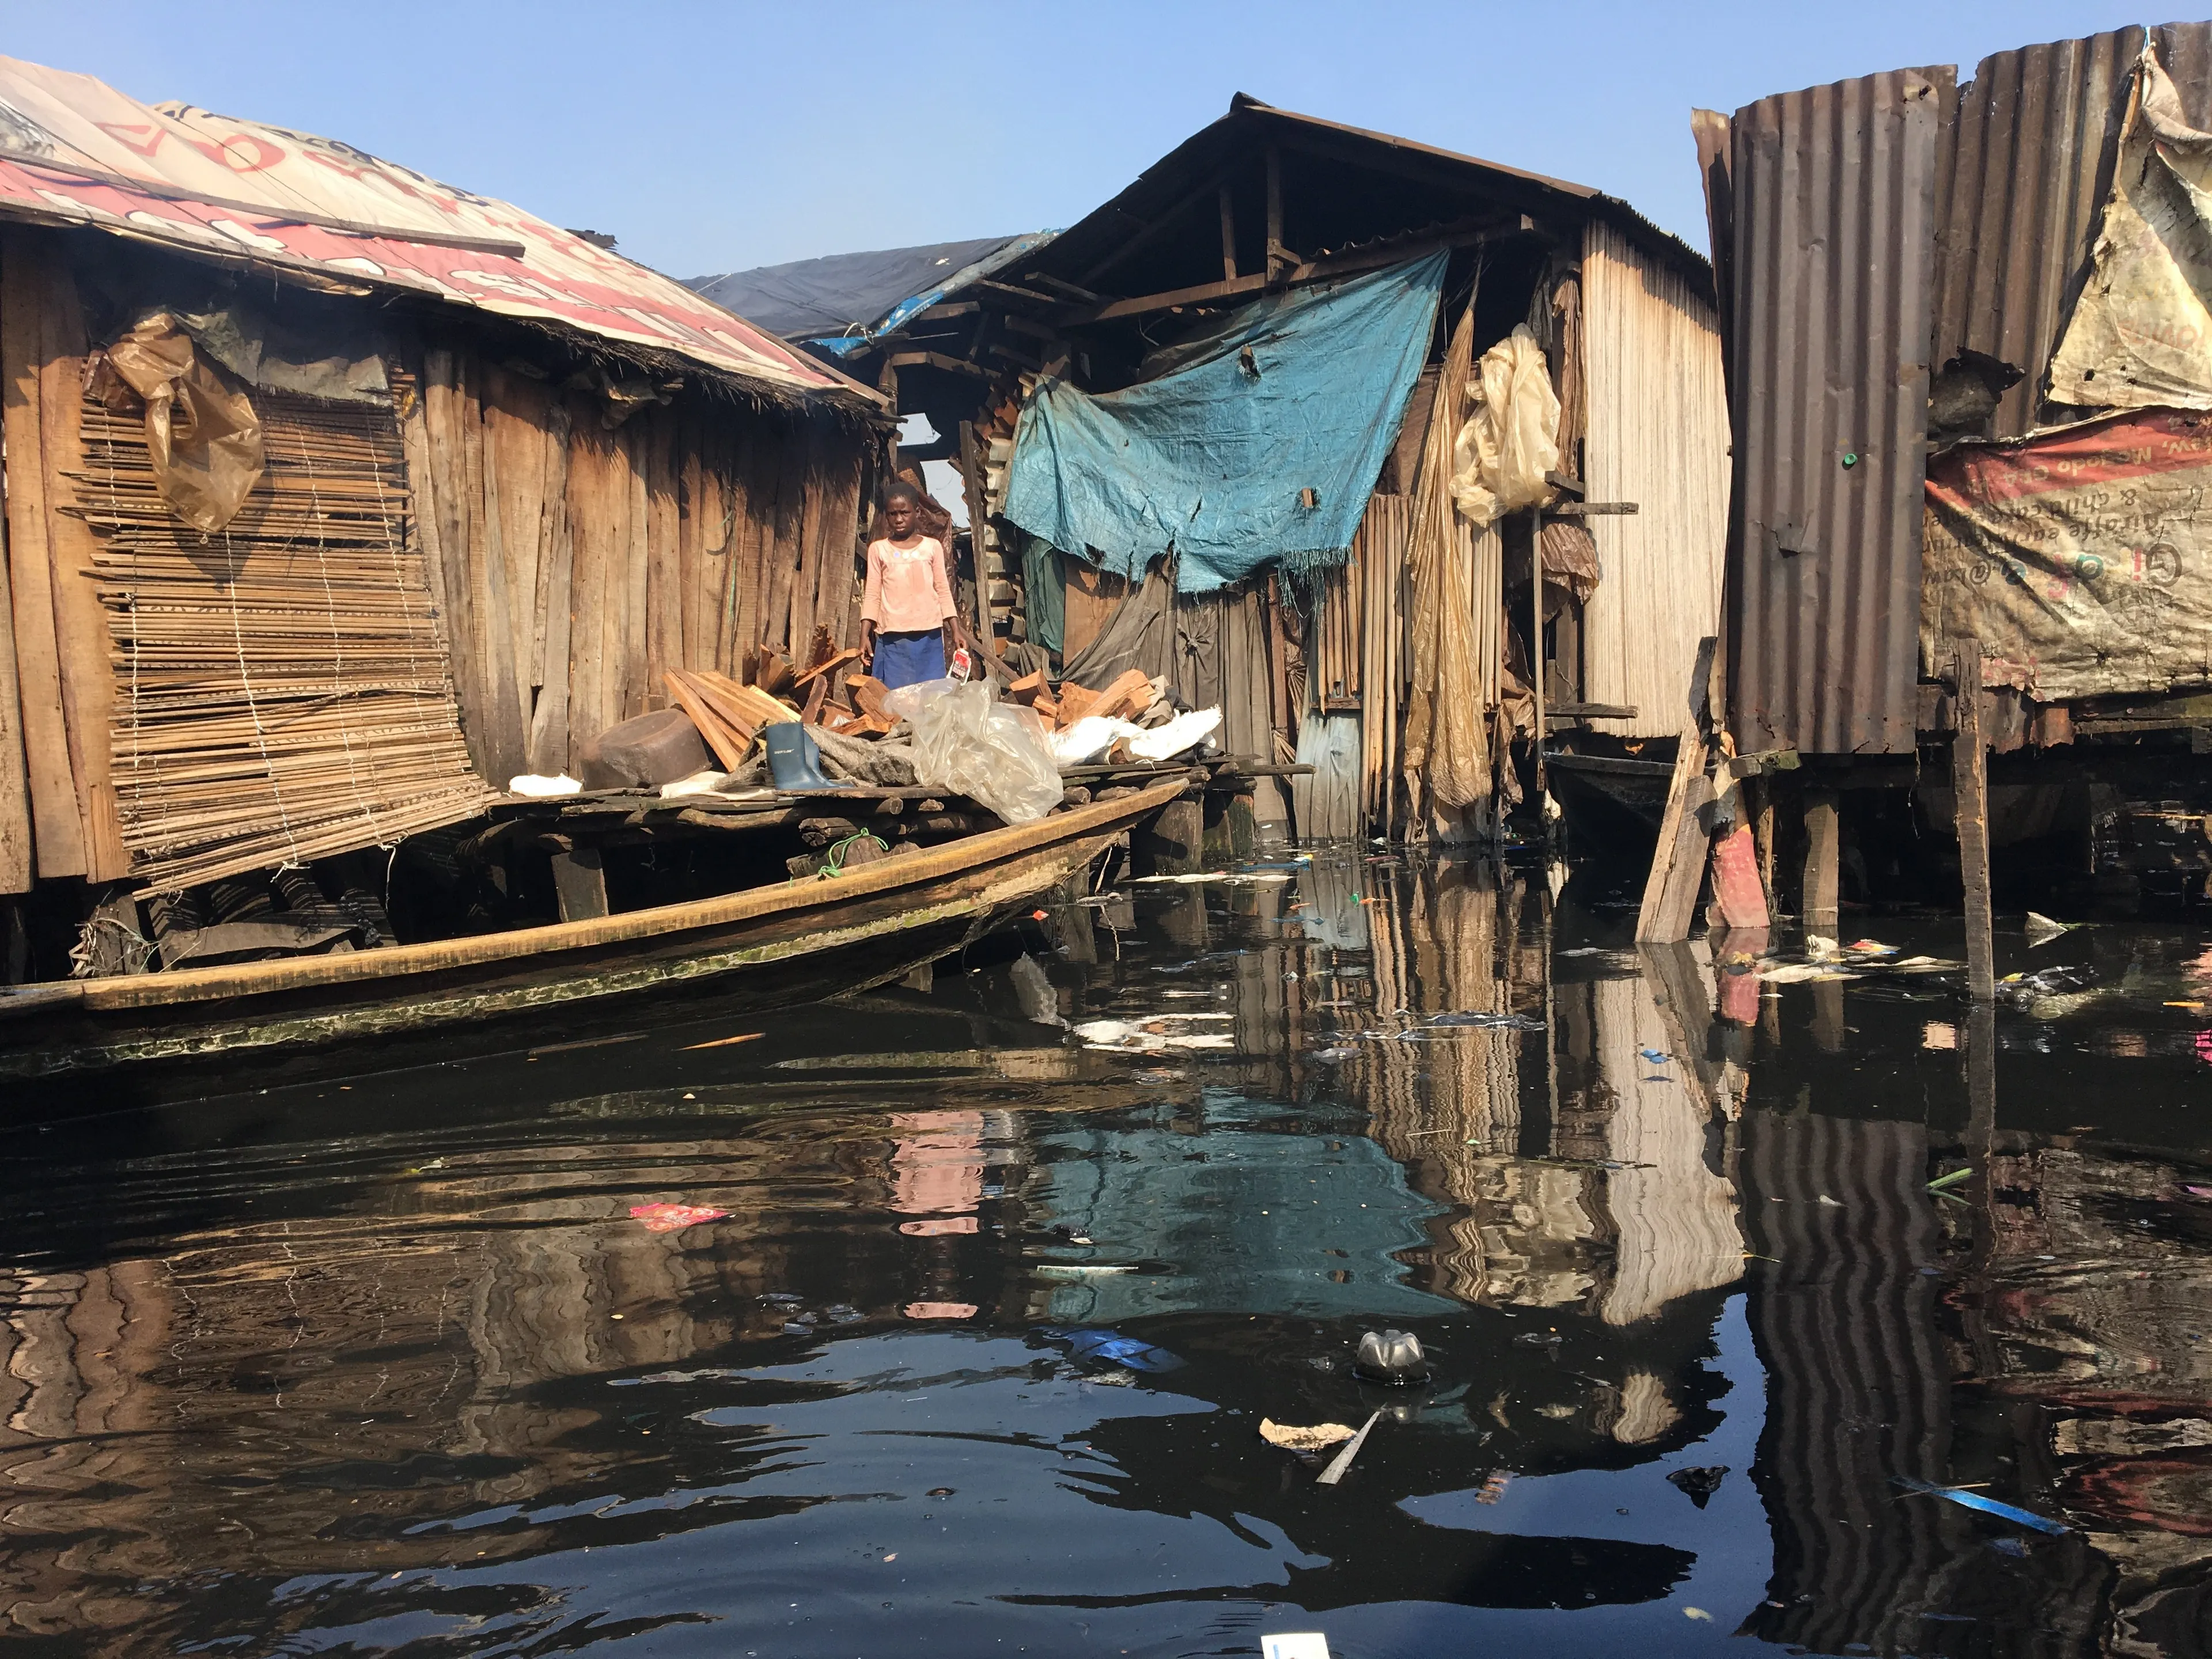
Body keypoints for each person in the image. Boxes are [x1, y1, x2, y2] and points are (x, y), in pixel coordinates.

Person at [860, 480, 959, 690]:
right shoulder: (879, 550)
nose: (899, 519)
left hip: (929, 638)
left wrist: (955, 630)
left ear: (917, 513)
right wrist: (864, 635)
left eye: (904, 513)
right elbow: (872, 595)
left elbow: (943, 589)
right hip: (893, 640)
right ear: (886, 516)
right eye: (892, 514)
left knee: (931, 698)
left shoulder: (932, 548)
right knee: (896, 699)